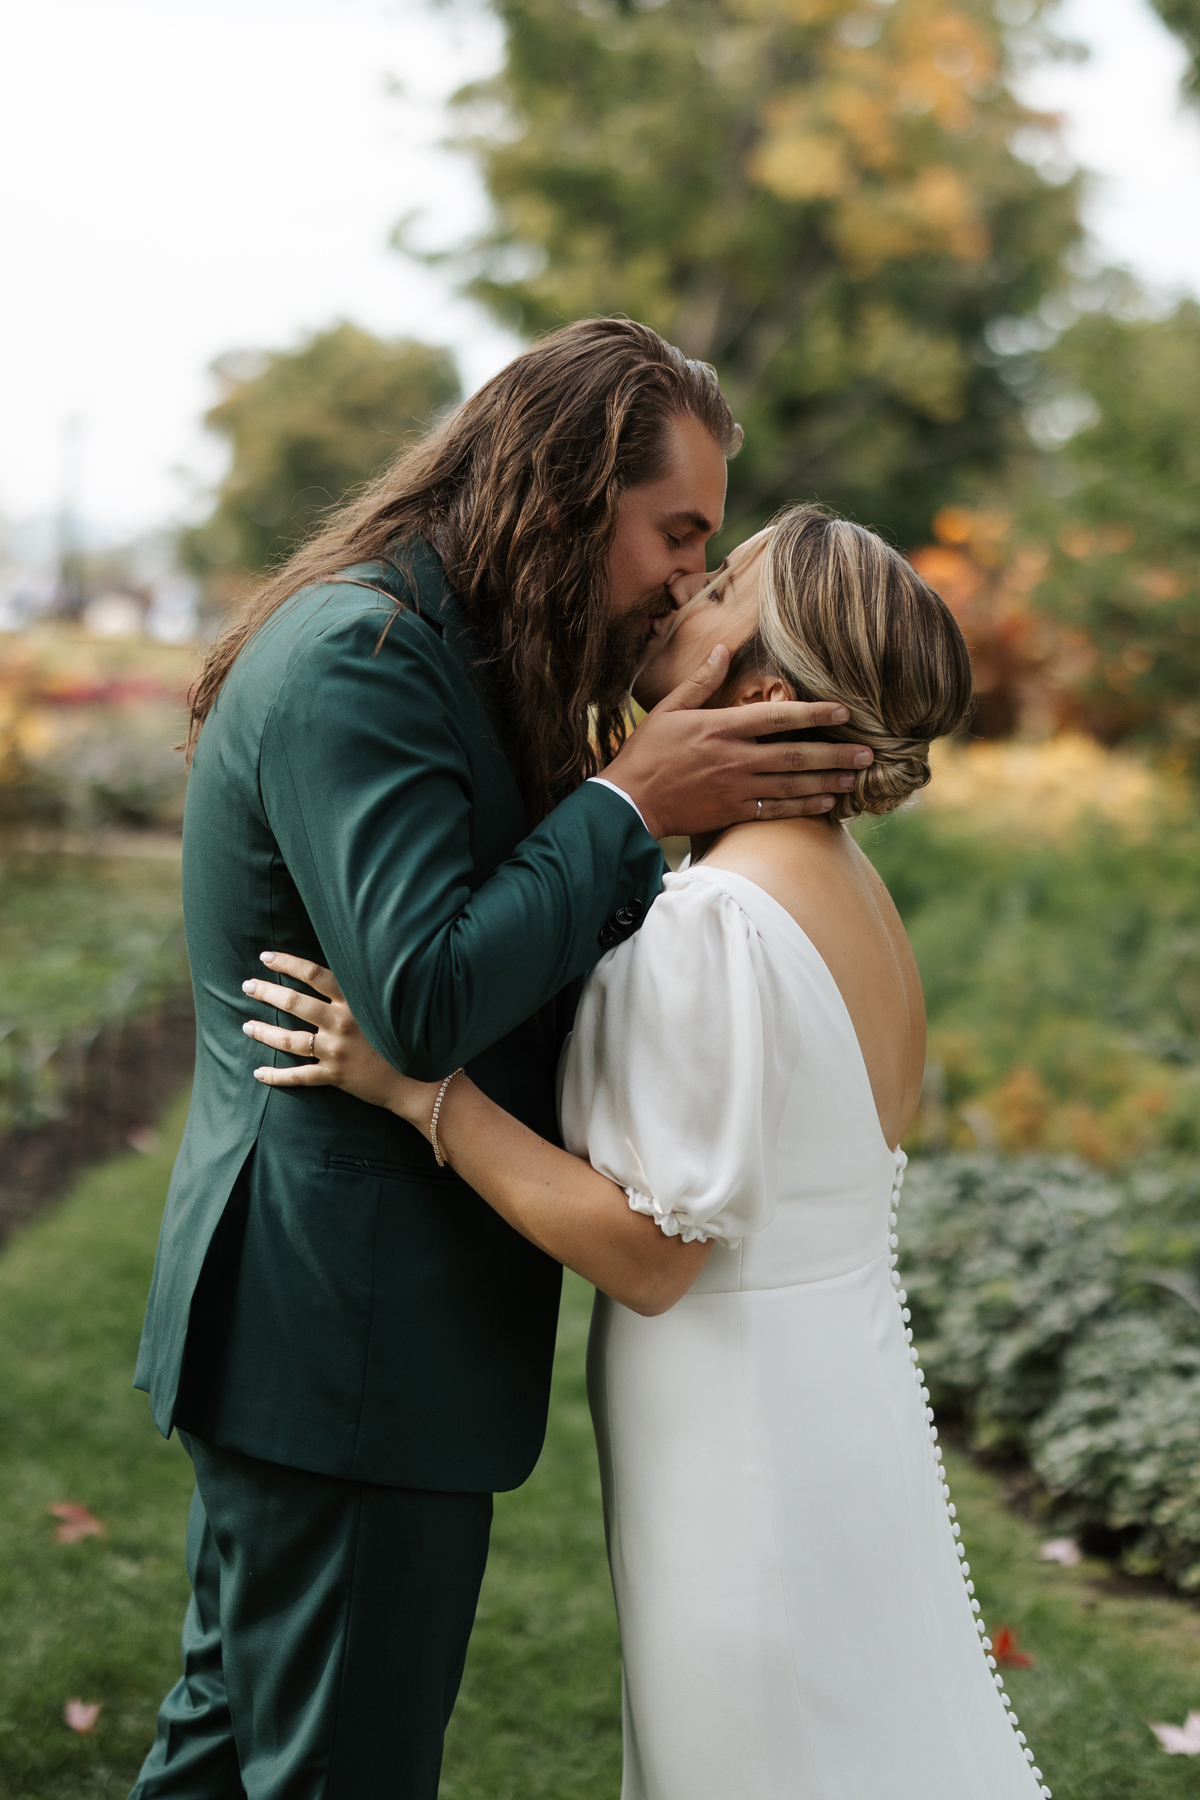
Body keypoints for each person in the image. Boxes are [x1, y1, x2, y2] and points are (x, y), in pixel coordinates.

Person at [129, 321, 871, 1800]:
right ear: (568, 490)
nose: (683, 574)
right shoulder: (367, 656)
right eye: (677, 533)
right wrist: (625, 795)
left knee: (229, 1754)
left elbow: (544, 939)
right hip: (343, 1334)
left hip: (338, 1334)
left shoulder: (459, 648)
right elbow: (418, 999)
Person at [243, 505, 1054, 1800]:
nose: (685, 592)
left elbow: (652, 1253)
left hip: (748, 1438)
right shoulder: (851, 890)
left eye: (723, 583)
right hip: (834, 1393)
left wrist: (419, 1091)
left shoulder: (721, 918)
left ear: (769, 685)